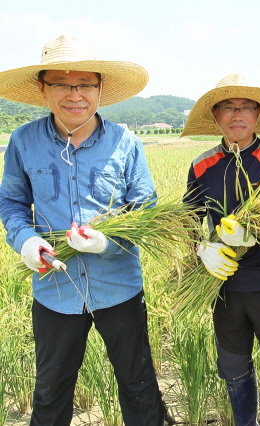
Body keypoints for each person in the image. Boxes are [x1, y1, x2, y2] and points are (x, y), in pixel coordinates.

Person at [0, 35, 164, 425]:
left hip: (119, 287)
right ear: (42, 89)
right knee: (51, 390)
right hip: (55, 289)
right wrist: (26, 240)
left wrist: (107, 243)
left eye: (85, 84)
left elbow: (147, 210)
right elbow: (11, 202)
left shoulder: (126, 142)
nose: (75, 95)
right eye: (61, 83)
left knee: (139, 385)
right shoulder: (23, 141)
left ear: (100, 88)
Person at [182, 74, 260, 426]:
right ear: (216, 115)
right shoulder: (202, 164)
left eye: (246, 107)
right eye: (228, 108)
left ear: (257, 114)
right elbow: (189, 220)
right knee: (232, 365)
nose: (238, 115)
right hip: (223, 286)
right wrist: (202, 248)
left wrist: (256, 231)